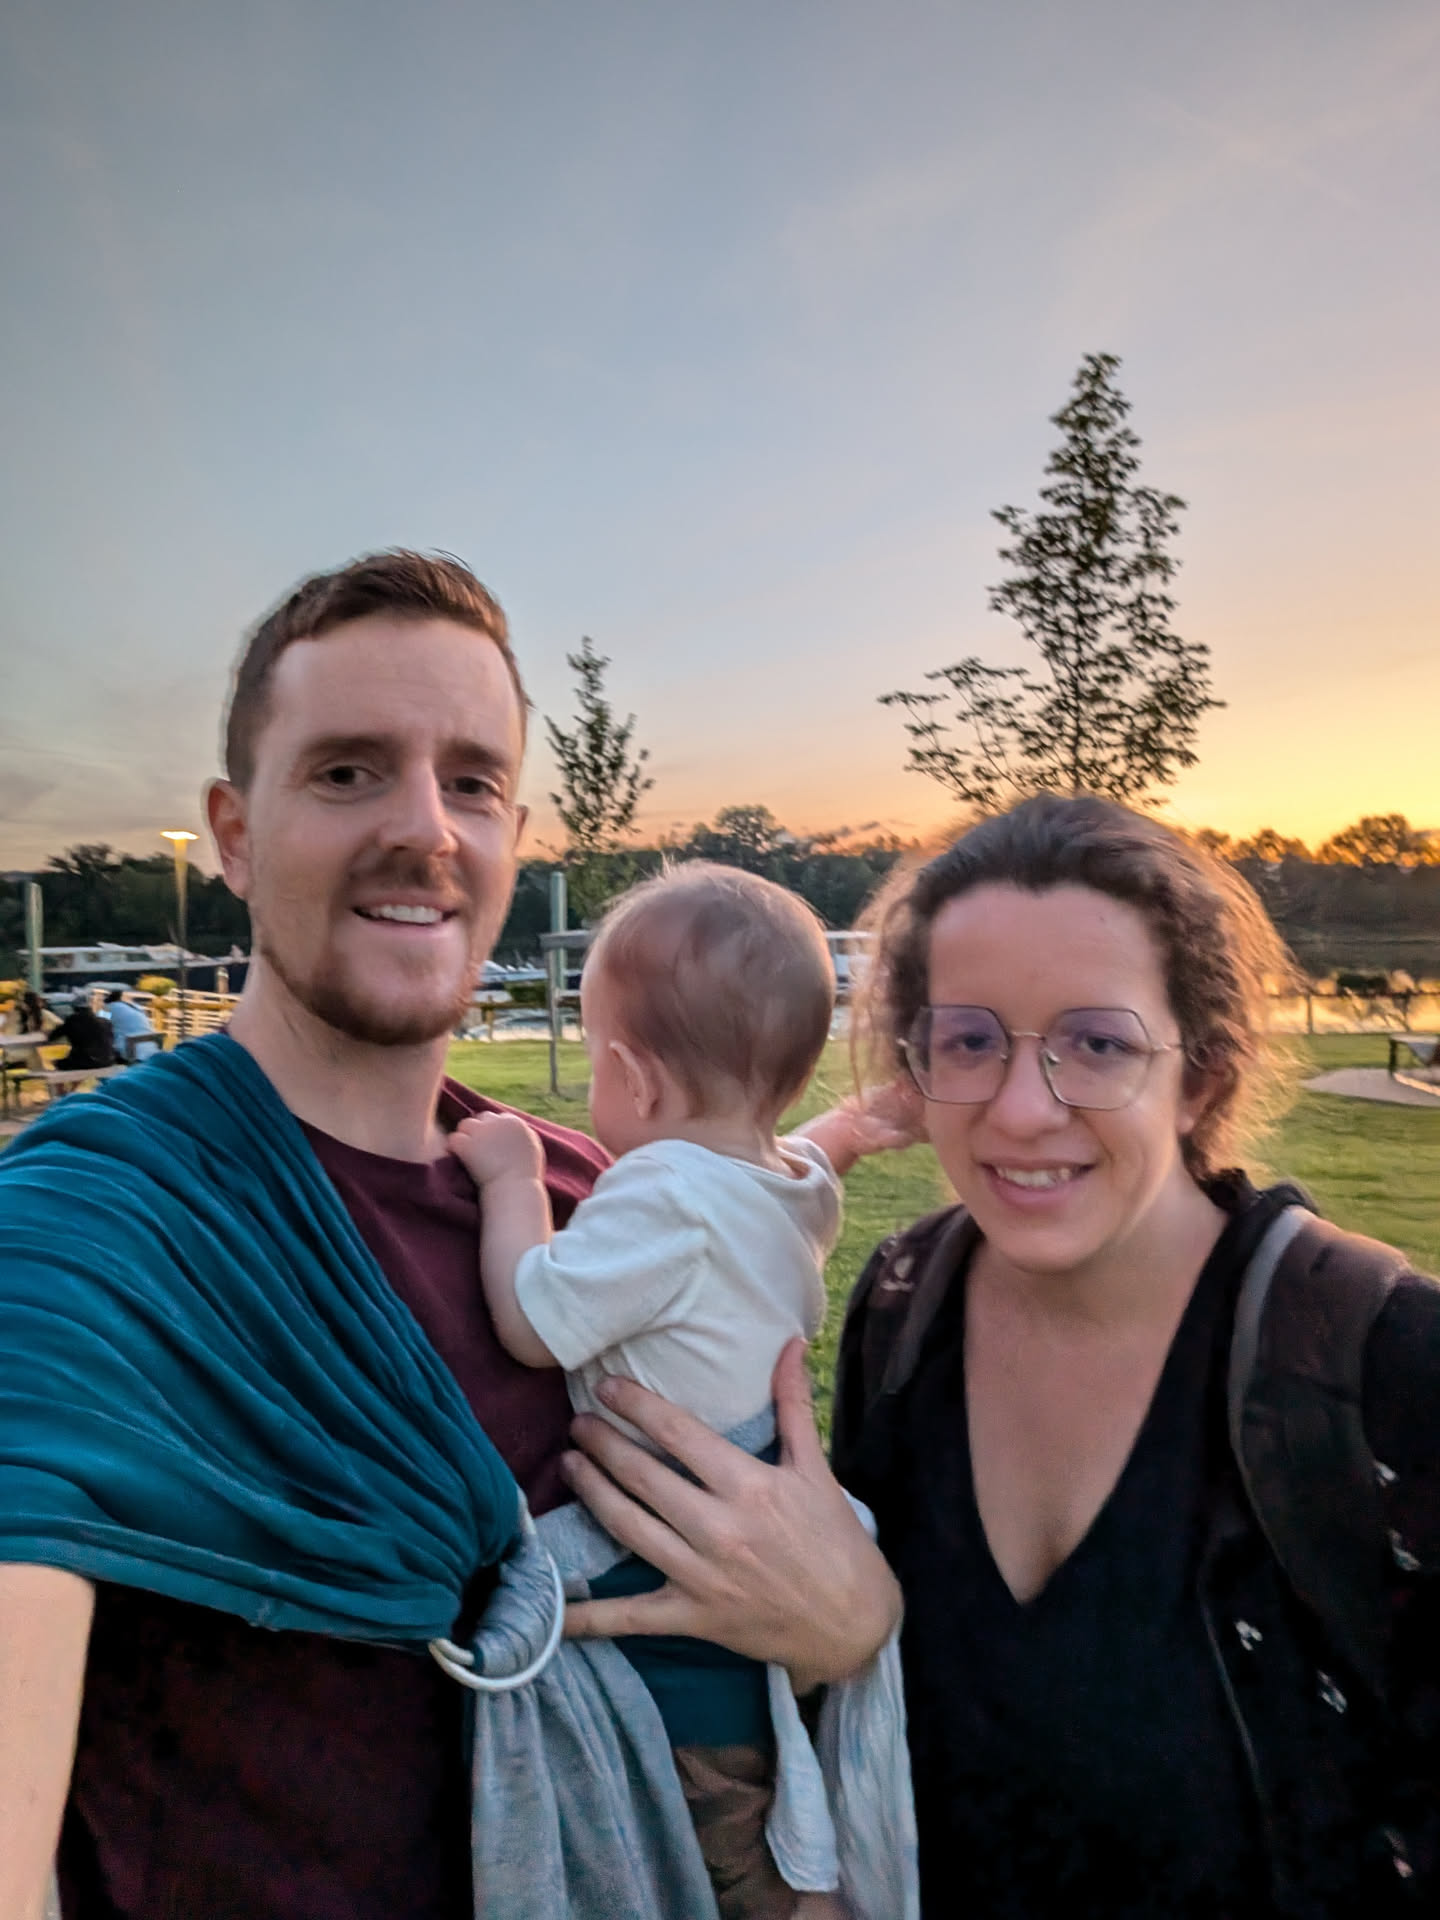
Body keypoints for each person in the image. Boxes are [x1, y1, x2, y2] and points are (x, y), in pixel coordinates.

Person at [0, 550, 899, 1920]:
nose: (425, 828)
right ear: (233, 835)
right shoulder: (91, 1228)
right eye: (346, 771)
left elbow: (778, 1517)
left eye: (472, 783)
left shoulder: (592, 1191)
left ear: (514, 835)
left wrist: (850, 1617)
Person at [815, 792, 1440, 1917]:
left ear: (1200, 1078)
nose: (1021, 1110)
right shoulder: (901, 1310)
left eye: (1097, 1044)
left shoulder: (1381, 1358)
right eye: (970, 1041)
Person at [452, 862, 914, 1919]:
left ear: (634, 1077)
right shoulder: (787, 1189)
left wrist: (513, 1180)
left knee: (706, 1847)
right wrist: (847, 1128)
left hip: (670, 1593)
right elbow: (810, 1155)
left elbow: (531, 1318)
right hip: (752, 1565)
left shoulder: (660, 1192)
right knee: (745, 1794)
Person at [44, 997, 116, 1071]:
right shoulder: (104, 1020)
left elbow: (53, 1036)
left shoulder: (73, 1020)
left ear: (75, 1008)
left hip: (87, 1061)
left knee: (56, 1063)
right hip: (109, 1060)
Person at [100, 988, 161, 1062]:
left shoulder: (106, 1008)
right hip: (151, 1048)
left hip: (129, 1049)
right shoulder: (136, 1007)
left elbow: (101, 1027)